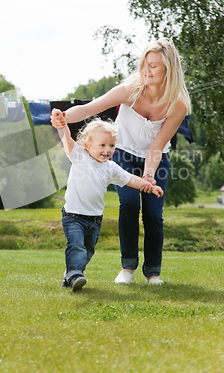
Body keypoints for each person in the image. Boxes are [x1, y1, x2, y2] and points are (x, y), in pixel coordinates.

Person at [51, 38, 191, 285]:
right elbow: (87, 109)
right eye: (145, 64)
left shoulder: (178, 104)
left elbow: (156, 146)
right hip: (123, 154)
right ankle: (127, 268)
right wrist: (64, 117)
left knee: (153, 215)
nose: (146, 70)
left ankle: (153, 272)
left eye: (154, 66)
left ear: (168, 69)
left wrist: (148, 176)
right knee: (128, 205)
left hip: (156, 159)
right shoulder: (130, 90)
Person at [53, 115, 163, 292]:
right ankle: (74, 274)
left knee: (87, 251)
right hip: (73, 215)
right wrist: (62, 125)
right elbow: (66, 138)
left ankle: (70, 276)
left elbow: (130, 180)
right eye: (102, 145)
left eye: (111, 146)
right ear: (88, 145)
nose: (107, 150)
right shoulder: (79, 156)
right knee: (76, 246)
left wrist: (149, 185)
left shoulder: (110, 167)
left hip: (94, 220)